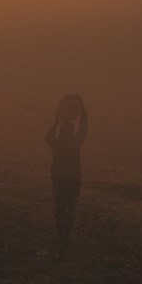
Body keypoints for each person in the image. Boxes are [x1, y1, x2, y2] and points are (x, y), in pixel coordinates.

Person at [44, 94, 89, 260]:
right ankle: (65, 242)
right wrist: (81, 105)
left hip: (58, 178)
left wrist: (57, 120)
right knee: (70, 211)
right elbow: (84, 126)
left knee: (58, 208)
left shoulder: (55, 143)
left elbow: (47, 136)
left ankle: (60, 240)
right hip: (73, 179)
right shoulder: (76, 143)